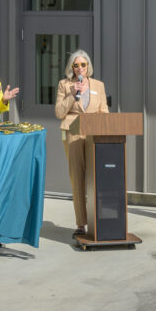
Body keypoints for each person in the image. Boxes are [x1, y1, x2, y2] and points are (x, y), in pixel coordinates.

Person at [54, 50, 108, 236]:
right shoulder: (64, 85)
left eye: (83, 65)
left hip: (94, 131)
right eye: (76, 65)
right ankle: (80, 224)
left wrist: (106, 131)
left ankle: (99, 220)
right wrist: (72, 94)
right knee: (77, 176)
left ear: (88, 67)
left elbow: (104, 111)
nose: (80, 68)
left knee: (96, 176)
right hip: (73, 130)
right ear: (71, 67)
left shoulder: (98, 85)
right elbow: (59, 113)